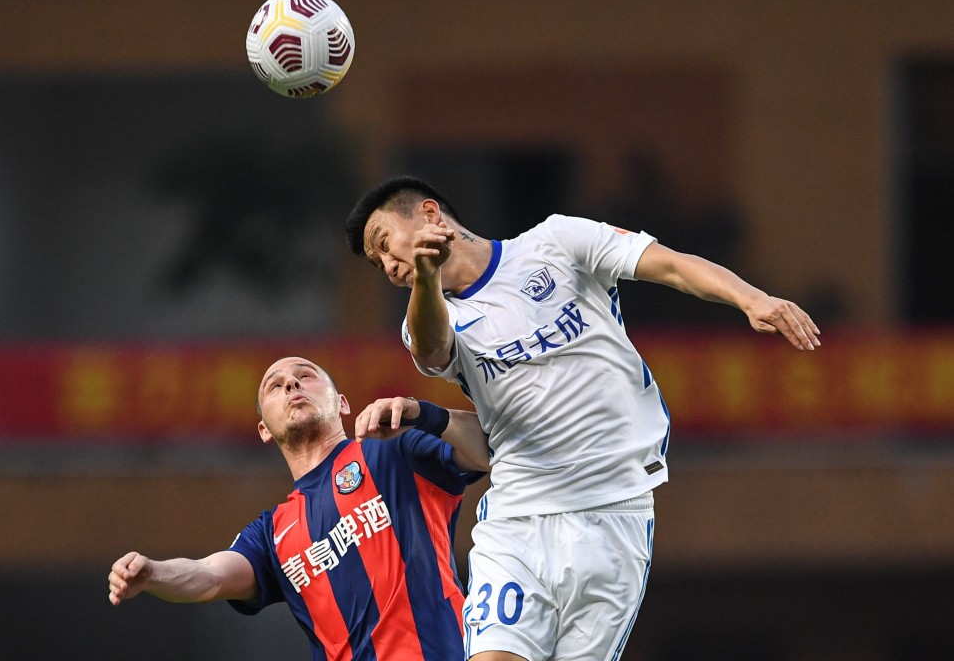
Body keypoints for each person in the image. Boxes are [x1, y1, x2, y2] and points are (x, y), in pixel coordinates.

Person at [344, 176, 820, 661]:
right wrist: (425, 277)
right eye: (378, 263)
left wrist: (751, 299)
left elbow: (672, 267)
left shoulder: (556, 241)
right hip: (518, 518)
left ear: (429, 214)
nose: (388, 266)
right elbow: (430, 346)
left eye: (385, 245)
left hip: (613, 515)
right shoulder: (427, 316)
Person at [108, 355, 490, 660]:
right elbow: (209, 575)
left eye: (305, 376)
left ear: (341, 403)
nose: (290, 383)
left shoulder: (391, 449)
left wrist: (426, 415)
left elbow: (490, 452)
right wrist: (153, 573)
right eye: (274, 385)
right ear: (263, 429)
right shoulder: (273, 531)